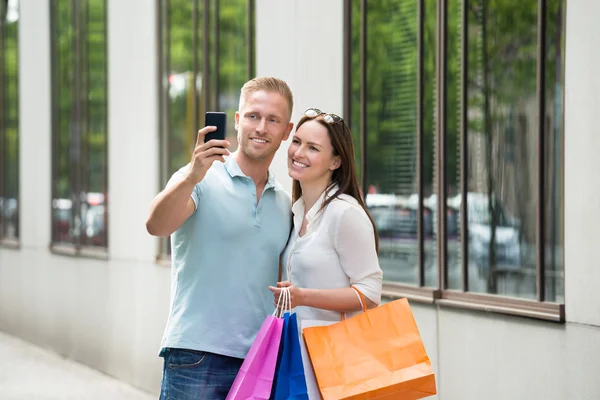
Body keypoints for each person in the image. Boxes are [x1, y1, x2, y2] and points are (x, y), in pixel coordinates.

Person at [146, 77, 295, 400]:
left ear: (287, 131)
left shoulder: (284, 203)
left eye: (273, 120)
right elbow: (156, 225)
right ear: (238, 120)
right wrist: (191, 175)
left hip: (259, 359)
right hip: (195, 354)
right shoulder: (200, 178)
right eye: (254, 116)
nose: (261, 127)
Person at [269, 107, 383, 326]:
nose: (299, 153)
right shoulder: (294, 212)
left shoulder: (344, 213)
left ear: (335, 162)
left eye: (313, 148)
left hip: (332, 354)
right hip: (297, 351)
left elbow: (370, 293)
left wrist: (302, 297)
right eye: (296, 142)